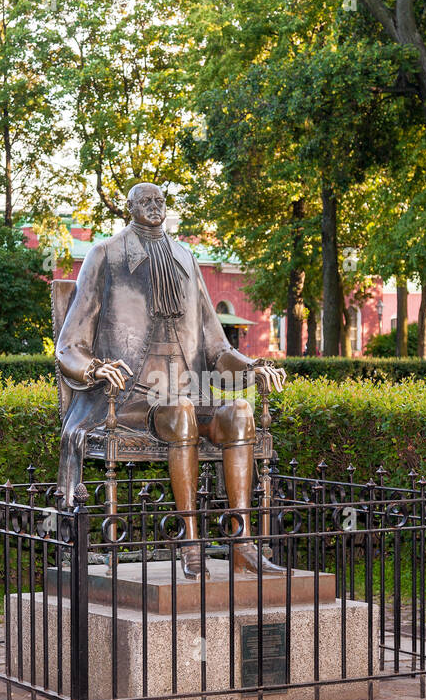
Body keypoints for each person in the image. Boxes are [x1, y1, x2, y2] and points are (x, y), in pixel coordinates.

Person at [55, 182, 286, 578]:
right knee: (180, 412)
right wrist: (95, 369)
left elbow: (217, 347)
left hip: (188, 394)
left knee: (240, 412)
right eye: (145, 200)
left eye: (160, 200)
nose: (155, 206)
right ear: (129, 208)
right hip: (131, 402)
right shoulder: (105, 255)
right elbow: (69, 345)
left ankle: (243, 542)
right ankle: (191, 541)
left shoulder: (185, 256)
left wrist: (251, 368)